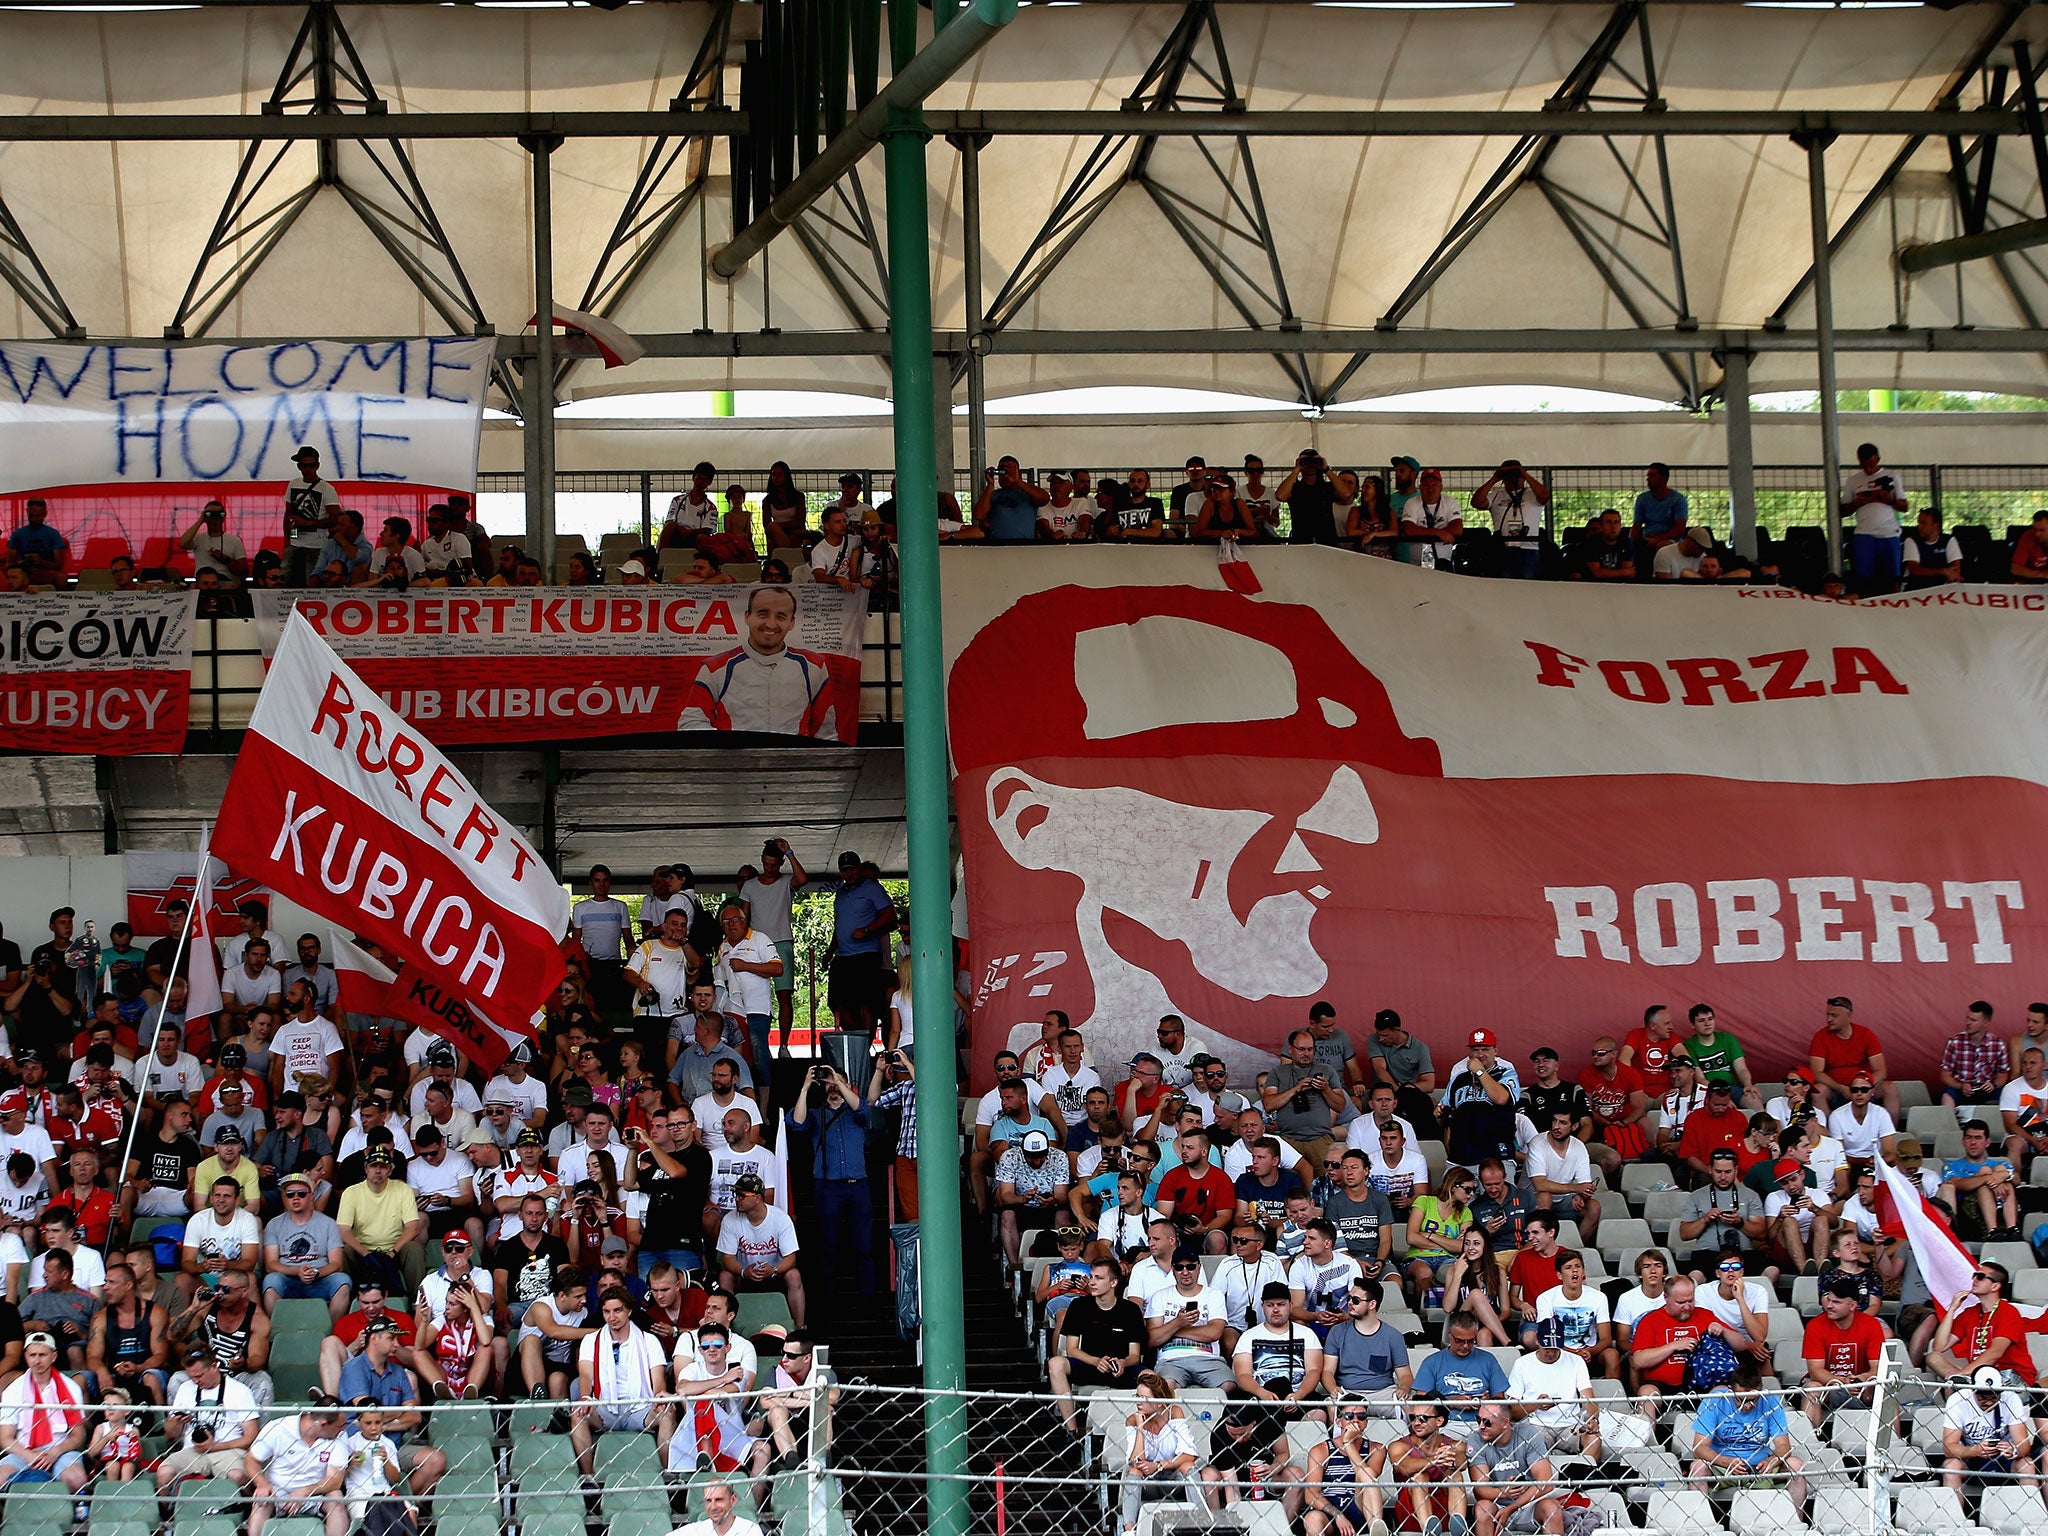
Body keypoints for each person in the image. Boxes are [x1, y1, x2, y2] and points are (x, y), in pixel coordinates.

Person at [569, 1288, 675, 1475]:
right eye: (607, 1312)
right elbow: (585, 1375)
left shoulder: (649, 1340)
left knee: (667, 1412)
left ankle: (667, 1475)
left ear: (629, 1311)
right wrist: (585, 1398)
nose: (612, 1317)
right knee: (578, 1413)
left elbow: (658, 1380)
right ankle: (589, 1478)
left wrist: (660, 1398)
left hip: (640, 1407)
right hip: (605, 1407)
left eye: (617, 1310)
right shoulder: (590, 1340)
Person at [1687, 1356, 1807, 1506]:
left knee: (1795, 1465)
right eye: (1741, 1399)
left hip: (1761, 1466)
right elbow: (1699, 1448)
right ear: (1730, 1391)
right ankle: (1700, 1521)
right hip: (1722, 1465)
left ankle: (1797, 1523)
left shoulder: (1771, 1400)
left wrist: (1772, 1461)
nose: (1747, 1406)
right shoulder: (1714, 1400)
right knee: (1697, 1467)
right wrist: (1727, 1462)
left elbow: (1784, 1446)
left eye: (1753, 1400)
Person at [1046, 1260, 1145, 1435]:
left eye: (1098, 1278)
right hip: (1089, 1364)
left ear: (1113, 1283)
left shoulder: (1130, 1310)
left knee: (1150, 1376)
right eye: (1091, 1277)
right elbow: (1072, 1349)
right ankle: (1072, 1432)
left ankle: (1148, 1430)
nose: (1091, 1282)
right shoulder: (1078, 1306)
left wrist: (1122, 1363)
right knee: (1055, 1363)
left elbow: (1135, 1355)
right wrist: (1096, 1361)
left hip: (1120, 1368)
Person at [1117, 1372, 1212, 1532]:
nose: (1138, 1402)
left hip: (1174, 1476)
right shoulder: (1133, 1420)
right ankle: (1129, 1529)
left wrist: (1158, 1466)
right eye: (1137, 1396)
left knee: (1188, 1465)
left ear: (1159, 1402)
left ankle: (1202, 1523)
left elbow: (1189, 1454)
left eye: (1144, 1398)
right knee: (1133, 1471)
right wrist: (1140, 1427)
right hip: (1149, 1481)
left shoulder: (1174, 1412)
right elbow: (1136, 1461)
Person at [157, 1345, 261, 1485]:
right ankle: (166, 1507)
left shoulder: (240, 1391)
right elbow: (170, 1436)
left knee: (237, 1475)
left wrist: (216, 1447)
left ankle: (242, 1506)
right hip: (192, 1451)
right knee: (164, 1472)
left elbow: (251, 1436)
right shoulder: (185, 1388)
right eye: (191, 1376)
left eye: (199, 1376)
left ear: (214, 1366)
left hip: (229, 1451)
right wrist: (176, 1422)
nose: (195, 1381)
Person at [0, 1331, 88, 1494]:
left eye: (42, 1355)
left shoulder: (71, 1387)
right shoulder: (13, 1389)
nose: (37, 1360)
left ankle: (75, 1513)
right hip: (24, 1452)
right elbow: (5, 1438)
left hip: (60, 1450)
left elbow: (77, 1436)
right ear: (26, 1356)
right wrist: (29, 1456)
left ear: (53, 1356)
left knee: (76, 1479)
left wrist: (54, 1453)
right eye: (32, 1355)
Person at [244, 1404, 350, 1536]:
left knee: (336, 1499)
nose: (343, 1429)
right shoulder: (279, 1428)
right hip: (277, 1490)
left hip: (316, 1492)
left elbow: (335, 1480)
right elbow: (251, 1459)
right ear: (323, 1424)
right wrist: (262, 1484)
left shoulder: (339, 1436)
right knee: (262, 1500)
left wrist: (305, 1491)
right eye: (340, 1426)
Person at [1942, 1364, 2037, 1508]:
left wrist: (2014, 1450)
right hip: (1971, 1457)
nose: (1989, 1402)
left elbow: (2024, 1445)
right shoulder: (1958, 1400)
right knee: (1950, 1466)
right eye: (1983, 1397)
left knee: (2027, 1465)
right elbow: (1948, 1448)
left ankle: (2032, 1517)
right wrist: (1975, 1451)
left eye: (1994, 1397)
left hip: (2004, 1458)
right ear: (1973, 1390)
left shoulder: (2011, 1398)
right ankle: (1954, 1520)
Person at [1928, 1261, 2035, 1387]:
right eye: (1974, 1275)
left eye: (1980, 1277)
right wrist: (1952, 1309)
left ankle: (1961, 1382)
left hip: (2011, 1376)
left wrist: (1964, 1373)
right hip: (1979, 1375)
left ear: (1995, 1286)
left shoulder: (2008, 1312)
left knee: (1953, 1388)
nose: (1974, 1279)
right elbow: (1939, 1347)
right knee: (1933, 1357)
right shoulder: (1970, 1313)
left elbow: (1996, 1352)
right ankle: (1959, 1381)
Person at [1506, 1317, 1599, 1462]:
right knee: (1526, 1444)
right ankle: (1540, 1483)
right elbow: (1512, 1411)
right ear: (1537, 1340)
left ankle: (1584, 1479)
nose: (1551, 1352)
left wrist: (1593, 1420)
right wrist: (1535, 1405)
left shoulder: (1576, 1361)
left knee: (1594, 1439)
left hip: (1571, 1424)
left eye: (1555, 1348)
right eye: (1547, 1347)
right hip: (1536, 1425)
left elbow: (1589, 1398)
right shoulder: (1522, 1364)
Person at [1801, 1277, 1887, 1427]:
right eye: (1828, 1300)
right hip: (1829, 1387)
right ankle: (1810, 1444)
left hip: (1862, 1387)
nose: (1829, 1306)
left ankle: (1894, 1444)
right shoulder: (1815, 1325)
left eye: (1836, 1302)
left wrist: (1863, 1378)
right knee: (1813, 1388)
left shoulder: (1871, 1324)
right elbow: (1815, 1371)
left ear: (1852, 1305)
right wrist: (1842, 1382)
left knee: (1887, 1392)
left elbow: (1879, 1367)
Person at [1319, 1278, 1411, 1414]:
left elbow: (1405, 1375)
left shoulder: (1393, 1336)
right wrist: (1333, 1388)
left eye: (1355, 1300)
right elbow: (1327, 1372)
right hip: (1348, 1393)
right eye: (1349, 1298)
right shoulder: (1337, 1332)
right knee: (1332, 1407)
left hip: (1384, 1394)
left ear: (1372, 1304)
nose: (1349, 1303)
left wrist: (1403, 1389)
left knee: (1410, 1408)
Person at [1413, 1311, 1507, 1442]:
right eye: (1460, 1341)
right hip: (1445, 1424)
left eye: (1471, 1341)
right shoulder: (1432, 1362)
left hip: (1484, 1422)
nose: (1465, 1346)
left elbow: (1500, 1399)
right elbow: (1421, 1404)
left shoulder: (1488, 1360)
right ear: (1449, 1334)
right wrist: (1453, 1403)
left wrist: (1486, 1402)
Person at [1301, 1398, 1388, 1536]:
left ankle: (1376, 1529)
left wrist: (1348, 1443)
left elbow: (1369, 1477)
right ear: (1338, 1421)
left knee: (1368, 1472)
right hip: (1329, 1510)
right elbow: (1311, 1495)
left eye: (1361, 1416)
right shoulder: (1321, 1450)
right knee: (1312, 1520)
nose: (1355, 1420)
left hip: (1360, 1505)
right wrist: (1338, 1515)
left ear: (1366, 1422)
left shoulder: (1376, 1448)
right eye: (1349, 1416)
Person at [1808, 996, 1900, 1118]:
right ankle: (1826, 1134)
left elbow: (1881, 1071)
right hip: (1835, 1088)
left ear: (1848, 1015)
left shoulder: (1866, 1034)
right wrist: (1841, 1088)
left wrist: (1863, 1086)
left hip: (1863, 1085)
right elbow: (1816, 1073)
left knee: (1890, 1088)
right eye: (1827, 1015)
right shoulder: (1820, 1037)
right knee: (1818, 1091)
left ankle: (1891, 1133)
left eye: (1834, 1016)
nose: (1829, 1019)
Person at [1840, 441, 1907, 589]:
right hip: (1864, 534)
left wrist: (1890, 500)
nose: (1868, 469)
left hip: (1889, 534)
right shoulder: (1853, 480)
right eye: (1864, 466)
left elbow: (1904, 507)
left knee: (1892, 578)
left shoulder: (1892, 476)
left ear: (1877, 459)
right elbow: (1843, 511)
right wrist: (1857, 503)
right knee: (1863, 580)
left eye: (1871, 464)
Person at [1940, 1120, 2022, 1240]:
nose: (1973, 1142)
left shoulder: (2000, 1164)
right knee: (1985, 1175)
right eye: (1968, 1138)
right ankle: (1992, 1231)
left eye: (1978, 1138)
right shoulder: (1951, 1165)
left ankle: (2012, 1229)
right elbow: (1957, 1184)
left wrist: (2004, 1175)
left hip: (2002, 1211)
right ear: (1963, 1141)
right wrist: (1991, 1178)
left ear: (1987, 1142)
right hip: (1971, 1216)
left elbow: (2017, 1179)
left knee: (2003, 1174)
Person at [1471, 460, 1549, 580]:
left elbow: (1545, 497)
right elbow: (1477, 502)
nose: (1513, 477)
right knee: (1504, 587)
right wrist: (1494, 479)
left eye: (1516, 473)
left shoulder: (1532, 494)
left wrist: (1525, 475)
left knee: (1529, 587)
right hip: (1502, 550)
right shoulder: (1496, 495)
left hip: (1528, 549)